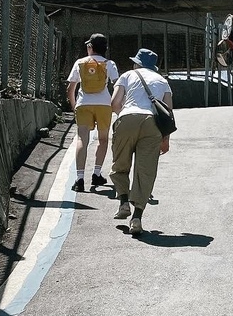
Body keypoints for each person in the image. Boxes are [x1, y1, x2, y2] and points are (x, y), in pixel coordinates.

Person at [109, 47, 172, 234]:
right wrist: (165, 139)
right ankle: (136, 218)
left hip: (127, 118)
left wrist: (125, 116)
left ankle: (123, 203)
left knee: (120, 164)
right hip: (152, 124)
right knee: (145, 171)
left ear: (137, 63)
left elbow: (114, 104)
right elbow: (168, 113)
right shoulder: (163, 82)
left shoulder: (127, 75)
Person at [66, 33, 119, 193]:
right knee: (103, 139)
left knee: (82, 139)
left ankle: (79, 179)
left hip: (83, 105)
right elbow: (117, 85)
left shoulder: (80, 63)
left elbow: (70, 89)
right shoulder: (110, 64)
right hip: (104, 105)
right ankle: (96, 174)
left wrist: (75, 105)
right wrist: (116, 106)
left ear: (90, 47)